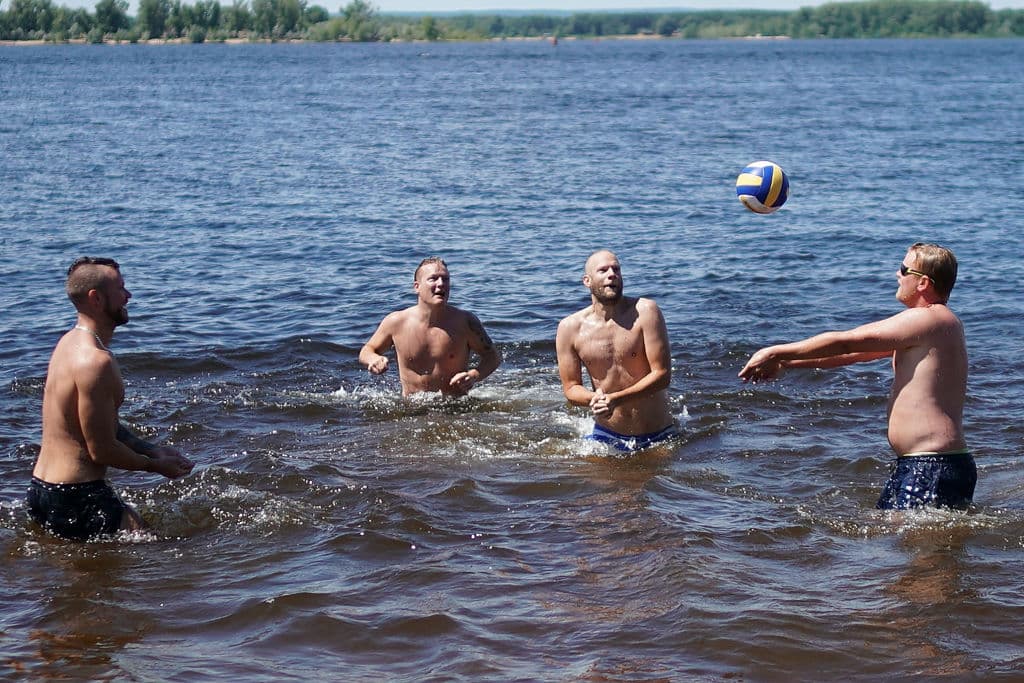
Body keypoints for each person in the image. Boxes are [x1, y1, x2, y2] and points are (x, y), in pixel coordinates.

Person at [739, 242, 975, 510]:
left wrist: (776, 351)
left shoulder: (930, 319)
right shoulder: (928, 327)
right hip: (924, 463)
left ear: (923, 283)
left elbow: (849, 341)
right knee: (903, 540)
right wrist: (788, 364)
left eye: (903, 269)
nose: (897, 275)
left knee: (921, 547)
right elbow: (852, 355)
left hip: (932, 464)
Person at [27, 257, 194, 540]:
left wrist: (152, 449)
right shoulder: (96, 362)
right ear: (96, 298)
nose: (128, 296)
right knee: (160, 553)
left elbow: (97, 426)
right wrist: (154, 466)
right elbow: (101, 449)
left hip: (42, 490)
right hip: (77, 495)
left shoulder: (68, 343)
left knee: (87, 576)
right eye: (121, 288)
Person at [555, 249, 676, 451]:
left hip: (659, 434)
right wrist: (594, 399)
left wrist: (616, 399)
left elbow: (662, 375)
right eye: (603, 270)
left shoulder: (646, 311)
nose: (612, 274)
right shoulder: (569, 328)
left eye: (616, 269)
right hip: (606, 435)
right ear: (587, 281)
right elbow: (571, 388)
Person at [359, 257, 502, 396]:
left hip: (455, 407)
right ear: (417, 287)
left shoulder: (465, 322)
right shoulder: (396, 322)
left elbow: (492, 356)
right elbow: (367, 350)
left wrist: (474, 375)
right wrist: (373, 359)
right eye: (433, 279)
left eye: (445, 279)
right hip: (412, 407)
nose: (441, 284)